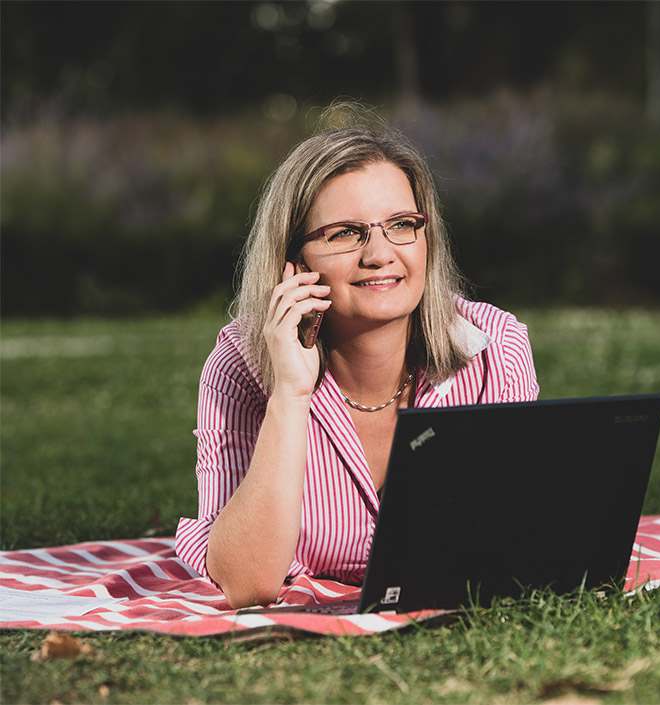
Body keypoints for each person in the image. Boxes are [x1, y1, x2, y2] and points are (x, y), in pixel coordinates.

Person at [175, 112, 540, 608]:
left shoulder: (494, 346)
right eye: (345, 233)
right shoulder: (240, 366)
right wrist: (290, 393)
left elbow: (518, 539)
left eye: (402, 225)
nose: (380, 254)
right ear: (294, 262)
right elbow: (247, 583)